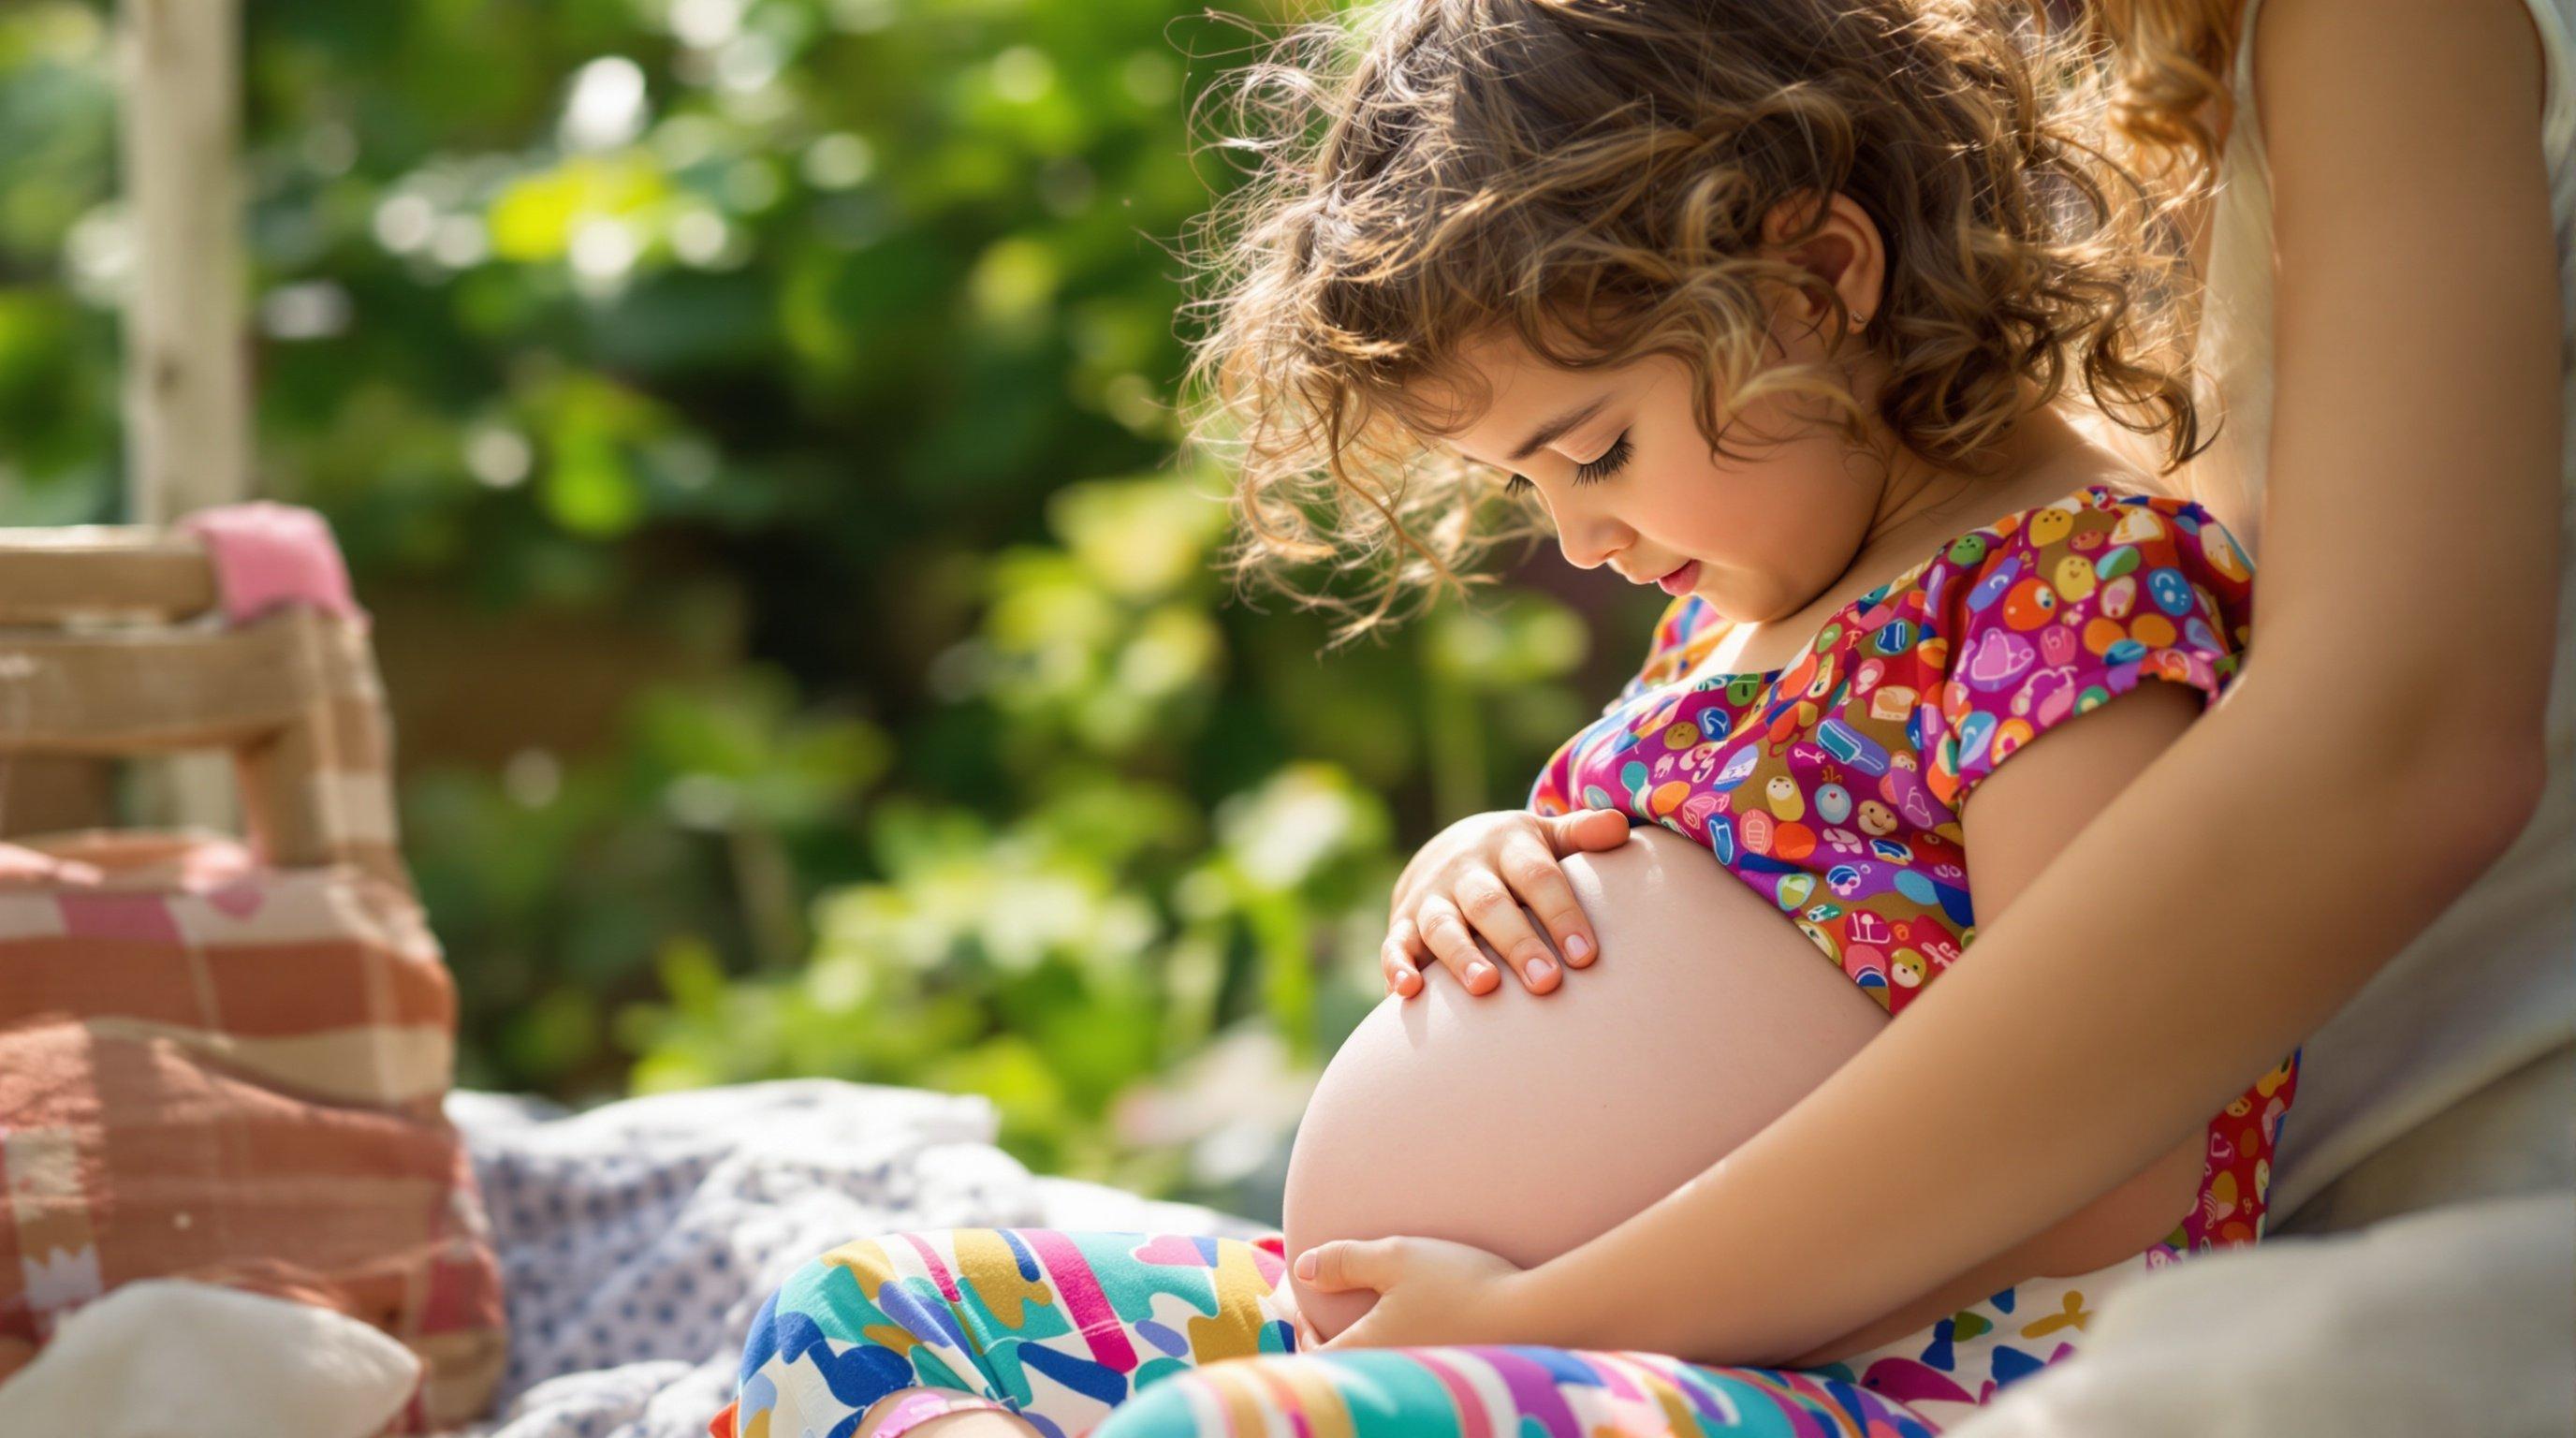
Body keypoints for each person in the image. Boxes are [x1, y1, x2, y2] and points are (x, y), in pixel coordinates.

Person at [710, 2, 2351, 1433]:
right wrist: (1481, 862)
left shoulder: (2065, 590)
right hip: (1486, 1337)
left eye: (1595, 450)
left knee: (1238, 1431)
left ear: (1816, 281)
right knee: (856, 1320)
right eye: (1521, 485)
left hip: (1887, 1378)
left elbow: (2109, 1134)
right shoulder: (1740, 614)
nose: (1574, 542)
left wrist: (1553, 1311)